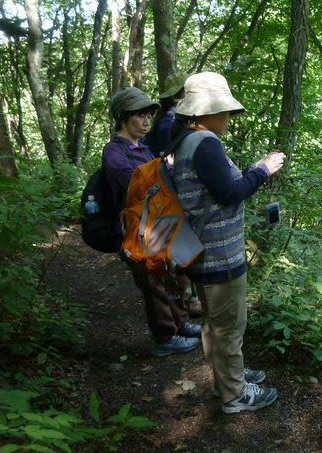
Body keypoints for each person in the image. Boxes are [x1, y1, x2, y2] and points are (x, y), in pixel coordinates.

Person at [170, 72, 285, 413]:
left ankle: (227, 376)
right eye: (225, 110)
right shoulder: (205, 143)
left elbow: (217, 187)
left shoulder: (186, 139)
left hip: (200, 249)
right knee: (231, 325)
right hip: (219, 254)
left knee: (214, 322)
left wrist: (250, 170)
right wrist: (262, 170)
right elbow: (228, 193)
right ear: (205, 111)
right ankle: (234, 395)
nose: (229, 117)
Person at [103, 86, 202, 357]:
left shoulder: (144, 148)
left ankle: (180, 324)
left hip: (158, 224)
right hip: (136, 229)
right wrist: (160, 168)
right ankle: (164, 336)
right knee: (152, 282)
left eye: (148, 115)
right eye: (140, 115)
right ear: (123, 117)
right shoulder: (114, 151)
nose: (147, 121)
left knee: (172, 274)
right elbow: (132, 180)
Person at [144, 72, 204, 317]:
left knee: (175, 246)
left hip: (162, 191)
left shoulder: (164, 120)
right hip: (169, 191)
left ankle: (183, 301)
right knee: (179, 246)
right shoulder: (170, 122)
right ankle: (186, 301)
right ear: (182, 96)